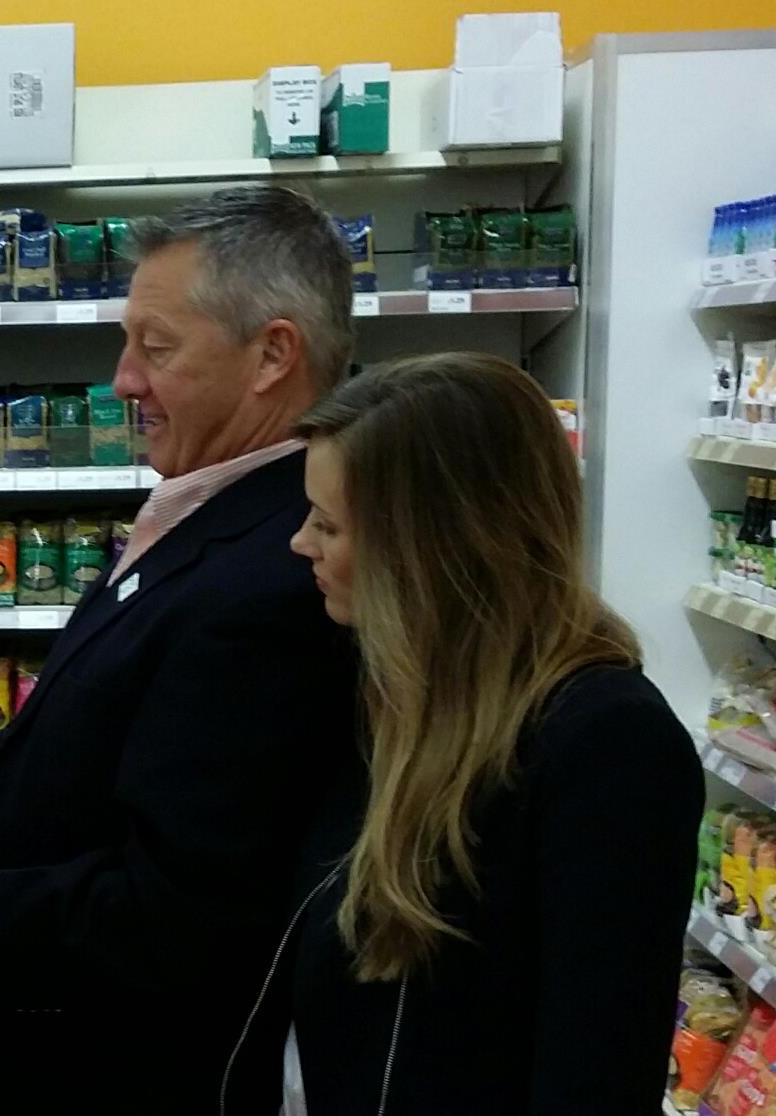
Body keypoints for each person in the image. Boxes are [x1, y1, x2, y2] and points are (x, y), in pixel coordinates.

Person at [0, 185, 361, 1113]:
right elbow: (63, 769)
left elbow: (180, 910)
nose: (121, 382)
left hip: (100, 1069)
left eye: (157, 348)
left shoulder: (277, 578)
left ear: (273, 354)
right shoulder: (204, 516)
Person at [265, 354, 703, 1114]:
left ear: (430, 549)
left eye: (330, 524)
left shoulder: (609, 745)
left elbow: (595, 1076)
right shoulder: (394, 700)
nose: (302, 543)